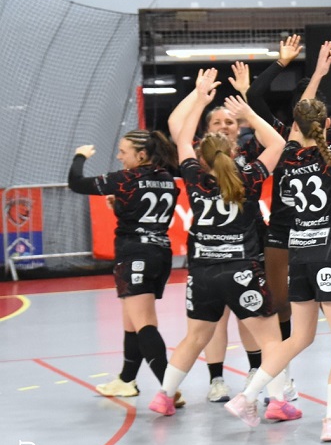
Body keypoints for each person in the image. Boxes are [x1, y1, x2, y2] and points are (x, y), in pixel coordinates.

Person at [224, 36, 331, 441]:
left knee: (299, 336)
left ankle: (247, 396)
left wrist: (247, 108)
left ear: (295, 123)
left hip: (299, 254)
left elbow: (263, 124)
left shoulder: (284, 153)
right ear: (326, 123)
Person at [152, 80, 291, 418]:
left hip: (202, 272)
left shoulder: (194, 176)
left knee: (194, 337)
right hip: (242, 268)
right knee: (271, 339)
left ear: (202, 156)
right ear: (233, 152)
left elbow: (182, 139)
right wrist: (248, 114)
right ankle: (278, 403)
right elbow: (278, 142)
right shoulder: (249, 176)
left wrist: (200, 100)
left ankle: (164, 396)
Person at [69, 129, 179, 399]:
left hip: (135, 254)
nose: (119, 156)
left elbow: (76, 183)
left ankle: (169, 389)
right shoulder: (167, 178)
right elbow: (145, 211)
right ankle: (127, 380)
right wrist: (120, 206)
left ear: (141, 155)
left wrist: (80, 156)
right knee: (132, 322)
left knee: (145, 324)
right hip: (160, 254)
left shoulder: (125, 179)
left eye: (123, 152)